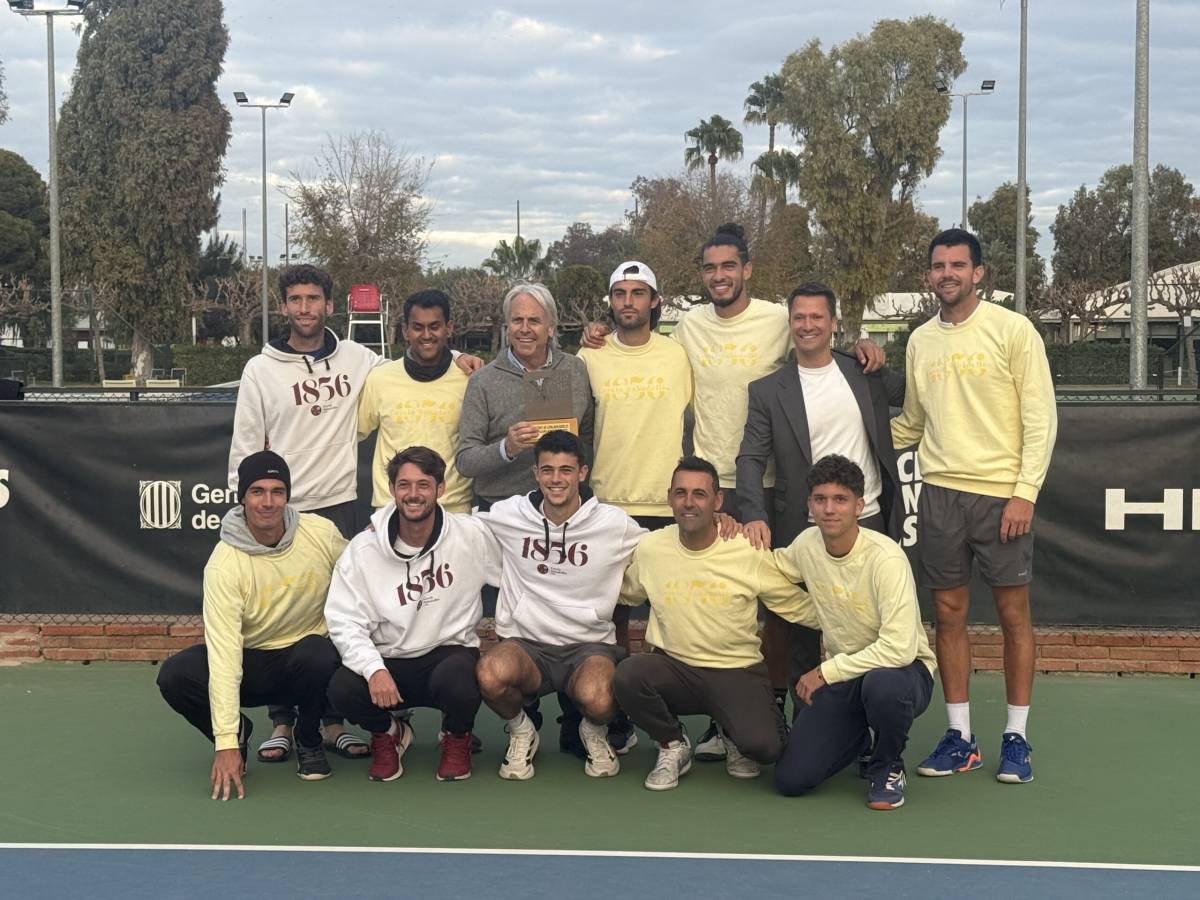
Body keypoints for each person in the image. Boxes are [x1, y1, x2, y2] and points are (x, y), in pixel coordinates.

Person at [582, 224, 885, 760]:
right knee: (700, 609)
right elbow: (634, 344)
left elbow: (821, 342)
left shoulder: (777, 318)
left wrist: (864, 344)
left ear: (747, 270)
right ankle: (698, 717)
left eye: (729, 266)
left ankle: (774, 711)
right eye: (710, 268)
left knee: (772, 610)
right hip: (709, 483)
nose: (719, 276)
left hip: (773, 489)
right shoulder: (689, 328)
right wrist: (596, 333)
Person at [227, 266, 480, 762]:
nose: (305, 308)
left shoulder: (362, 360)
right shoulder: (261, 369)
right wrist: (254, 508)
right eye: (295, 299)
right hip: (285, 510)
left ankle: (335, 722)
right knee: (286, 614)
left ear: (329, 305)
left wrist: (464, 358)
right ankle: (284, 722)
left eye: (314, 298)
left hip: (340, 505)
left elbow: (421, 361)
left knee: (334, 619)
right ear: (283, 307)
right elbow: (244, 450)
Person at [890, 228, 1057, 785]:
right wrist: (851, 436)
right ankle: (960, 737)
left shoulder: (1014, 331)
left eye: (957, 265)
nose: (947, 274)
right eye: (938, 266)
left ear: (978, 273)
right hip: (938, 495)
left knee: (1013, 618)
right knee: (949, 617)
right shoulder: (920, 341)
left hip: (1000, 496)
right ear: (929, 275)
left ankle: (1017, 737)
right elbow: (911, 422)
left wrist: (1023, 492)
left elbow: (1041, 418)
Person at [738, 282, 906, 709]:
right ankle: (805, 722)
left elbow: (908, 393)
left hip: (869, 522)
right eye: (799, 317)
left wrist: (876, 351)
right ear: (790, 323)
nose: (807, 325)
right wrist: (754, 513)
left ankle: (870, 726)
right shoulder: (767, 390)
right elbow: (750, 458)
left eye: (817, 317)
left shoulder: (863, 373)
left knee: (868, 629)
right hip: (803, 528)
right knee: (800, 634)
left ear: (834, 323)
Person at [612, 456, 811, 791]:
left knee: (767, 748)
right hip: (674, 670)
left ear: (718, 501)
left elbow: (794, 606)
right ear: (669, 498)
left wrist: (851, 618)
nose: (689, 502)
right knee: (628, 676)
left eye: (700, 494)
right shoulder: (651, 548)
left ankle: (731, 732)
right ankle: (673, 744)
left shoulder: (747, 549)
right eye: (681, 493)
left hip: (737, 671)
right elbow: (619, 593)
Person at [456, 283, 595, 756]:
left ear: (551, 326)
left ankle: (579, 720)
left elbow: (587, 438)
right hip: (503, 519)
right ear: (506, 326)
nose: (525, 328)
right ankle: (524, 719)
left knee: (571, 611)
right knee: (513, 622)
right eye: (517, 320)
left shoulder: (574, 370)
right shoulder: (484, 380)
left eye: (534, 320)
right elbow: (466, 460)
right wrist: (507, 448)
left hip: (562, 514)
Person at [156, 451, 346, 798]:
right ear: (242, 496)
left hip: (308, 661)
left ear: (288, 496)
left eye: (277, 491)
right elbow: (226, 656)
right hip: (252, 664)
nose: (268, 502)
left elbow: (361, 576)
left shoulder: (321, 534)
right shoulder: (224, 565)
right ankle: (241, 733)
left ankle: (308, 740)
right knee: (175, 674)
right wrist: (225, 741)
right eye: (257, 491)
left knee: (319, 652)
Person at [473, 430, 646, 780]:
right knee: (490, 674)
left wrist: (724, 523)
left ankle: (592, 730)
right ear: (535, 473)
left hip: (589, 645)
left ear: (582, 473)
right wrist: (383, 521)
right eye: (548, 469)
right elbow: (450, 525)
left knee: (600, 697)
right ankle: (522, 730)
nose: (556, 479)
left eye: (566, 470)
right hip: (526, 643)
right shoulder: (509, 514)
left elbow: (665, 548)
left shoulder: (613, 524)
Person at [324, 447, 501, 783]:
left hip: (446, 654)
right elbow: (345, 621)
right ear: (392, 490)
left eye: (423, 484)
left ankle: (456, 736)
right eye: (404, 485)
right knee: (341, 688)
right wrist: (374, 669)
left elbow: (514, 576)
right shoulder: (363, 550)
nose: (414, 494)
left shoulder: (470, 535)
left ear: (441, 489)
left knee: (463, 680)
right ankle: (388, 732)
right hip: (389, 659)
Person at [772, 455, 936, 810]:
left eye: (840, 499)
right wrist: (728, 539)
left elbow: (898, 650)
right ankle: (858, 739)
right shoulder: (807, 544)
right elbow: (771, 572)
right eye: (820, 499)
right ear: (809, 505)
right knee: (791, 780)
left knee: (883, 686)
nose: (829, 509)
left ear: (859, 506)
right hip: (847, 676)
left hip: (905, 674)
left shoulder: (886, 559)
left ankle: (887, 764)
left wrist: (824, 671)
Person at [576, 260, 693, 752]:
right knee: (612, 623)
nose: (628, 301)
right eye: (620, 293)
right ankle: (614, 714)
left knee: (674, 620)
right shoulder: (589, 357)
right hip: (609, 504)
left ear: (654, 302)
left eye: (638, 293)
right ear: (610, 303)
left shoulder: (679, 355)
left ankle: (671, 722)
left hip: (668, 506)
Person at [357, 290, 472, 513]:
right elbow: (354, 432)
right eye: (418, 327)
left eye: (435, 326)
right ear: (405, 331)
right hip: (392, 510)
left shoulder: (468, 379)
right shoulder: (380, 379)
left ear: (449, 328)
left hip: (453, 510)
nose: (426, 335)